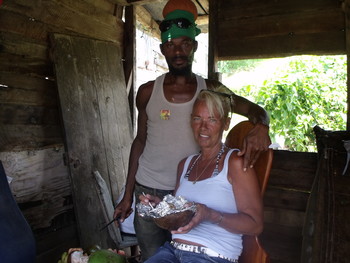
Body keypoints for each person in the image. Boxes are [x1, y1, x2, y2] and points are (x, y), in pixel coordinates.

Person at [114, 0, 270, 260]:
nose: (178, 51)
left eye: (185, 44)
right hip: (148, 191)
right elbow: (139, 142)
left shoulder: (211, 91)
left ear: (194, 46)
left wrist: (261, 125)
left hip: (187, 193)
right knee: (155, 254)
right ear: (163, 48)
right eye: (172, 45)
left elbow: (256, 110)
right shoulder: (147, 92)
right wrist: (128, 194)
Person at [140, 89, 264, 263]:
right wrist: (160, 206)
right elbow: (181, 213)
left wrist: (210, 215)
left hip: (212, 256)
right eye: (197, 118)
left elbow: (255, 225)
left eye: (212, 119)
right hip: (172, 252)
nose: (203, 127)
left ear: (226, 124)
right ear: (191, 121)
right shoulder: (185, 165)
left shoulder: (235, 163)